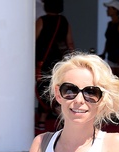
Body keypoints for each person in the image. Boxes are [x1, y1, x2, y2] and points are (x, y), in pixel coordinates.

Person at [35, 0, 75, 131]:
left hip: (44, 61)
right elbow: (70, 43)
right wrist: (73, 61)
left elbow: (33, 40)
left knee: (43, 89)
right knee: (57, 89)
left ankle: (43, 119)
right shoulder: (64, 21)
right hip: (60, 62)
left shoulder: (42, 20)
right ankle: (61, 116)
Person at [99, 1, 119, 96]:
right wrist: (104, 52)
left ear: (115, 10)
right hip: (111, 56)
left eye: (109, 9)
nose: (107, 11)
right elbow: (108, 40)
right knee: (112, 83)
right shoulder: (109, 24)